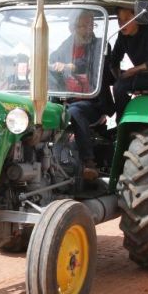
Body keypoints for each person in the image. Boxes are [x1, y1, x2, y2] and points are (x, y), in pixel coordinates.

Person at [50, 9, 114, 180]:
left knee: (75, 111)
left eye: (91, 25)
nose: (88, 29)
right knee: (48, 108)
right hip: (67, 99)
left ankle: (88, 162)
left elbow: (91, 64)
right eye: (83, 26)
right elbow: (52, 59)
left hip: (92, 102)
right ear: (72, 28)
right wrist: (44, 63)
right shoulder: (67, 44)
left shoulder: (101, 45)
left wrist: (71, 66)